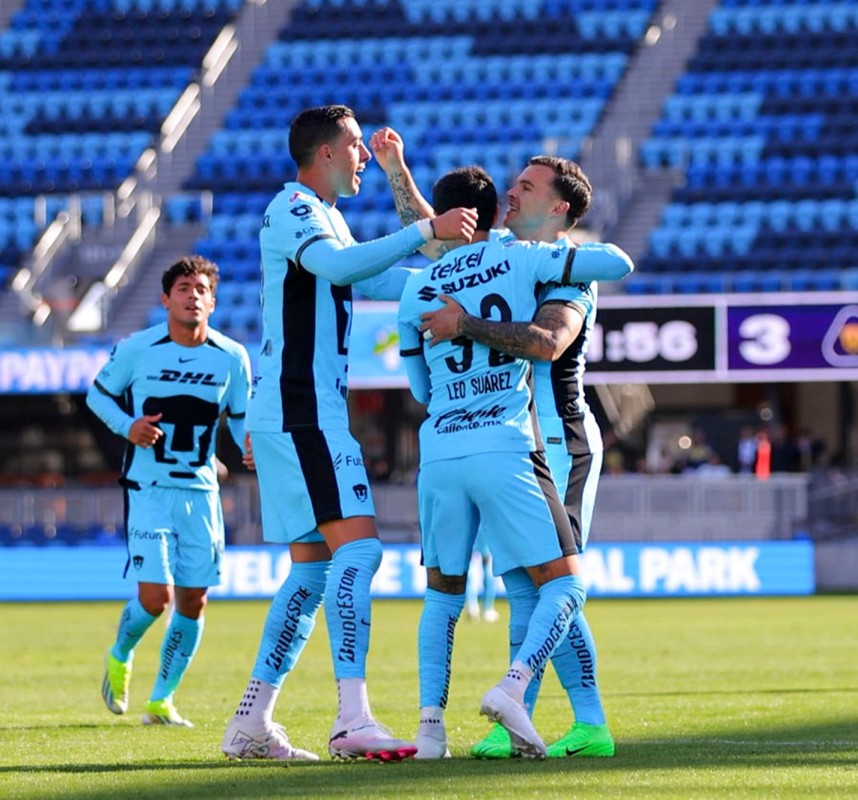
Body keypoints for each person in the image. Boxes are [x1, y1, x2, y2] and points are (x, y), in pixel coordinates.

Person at [220, 105, 478, 763]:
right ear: (326, 152)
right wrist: (425, 228)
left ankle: (251, 721)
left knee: (311, 575)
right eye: (356, 145)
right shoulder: (294, 208)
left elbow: (381, 275)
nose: (363, 155)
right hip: (303, 411)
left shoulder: (328, 218)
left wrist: (460, 282)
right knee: (359, 554)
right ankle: (351, 720)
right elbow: (339, 269)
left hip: (296, 412)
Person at [374, 129, 621, 759]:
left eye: (526, 187)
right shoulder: (511, 251)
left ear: (559, 207)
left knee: (554, 580)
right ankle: (521, 717)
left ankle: (586, 720)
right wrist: (398, 169)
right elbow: (441, 236)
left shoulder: (567, 271)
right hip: (507, 436)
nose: (511, 192)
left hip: (559, 438)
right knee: (524, 587)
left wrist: (464, 323)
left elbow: (549, 344)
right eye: (511, 186)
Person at [87, 255, 252, 728]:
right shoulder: (137, 348)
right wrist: (129, 426)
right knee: (156, 598)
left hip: (200, 494)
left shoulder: (232, 356)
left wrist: (249, 446)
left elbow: (241, 416)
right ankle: (120, 654)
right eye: (183, 288)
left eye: (202, 289)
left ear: (213, 302)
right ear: (165, 299)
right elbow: (97, 395)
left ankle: (161, 701)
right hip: (149, 489)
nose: (193, 296)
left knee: (193, 600)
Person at [466, 530, 499, 622]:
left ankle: (472, 606)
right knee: (488, 571)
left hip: (470, 534)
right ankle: (487, 608)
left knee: (470, 572)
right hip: (485, 535)